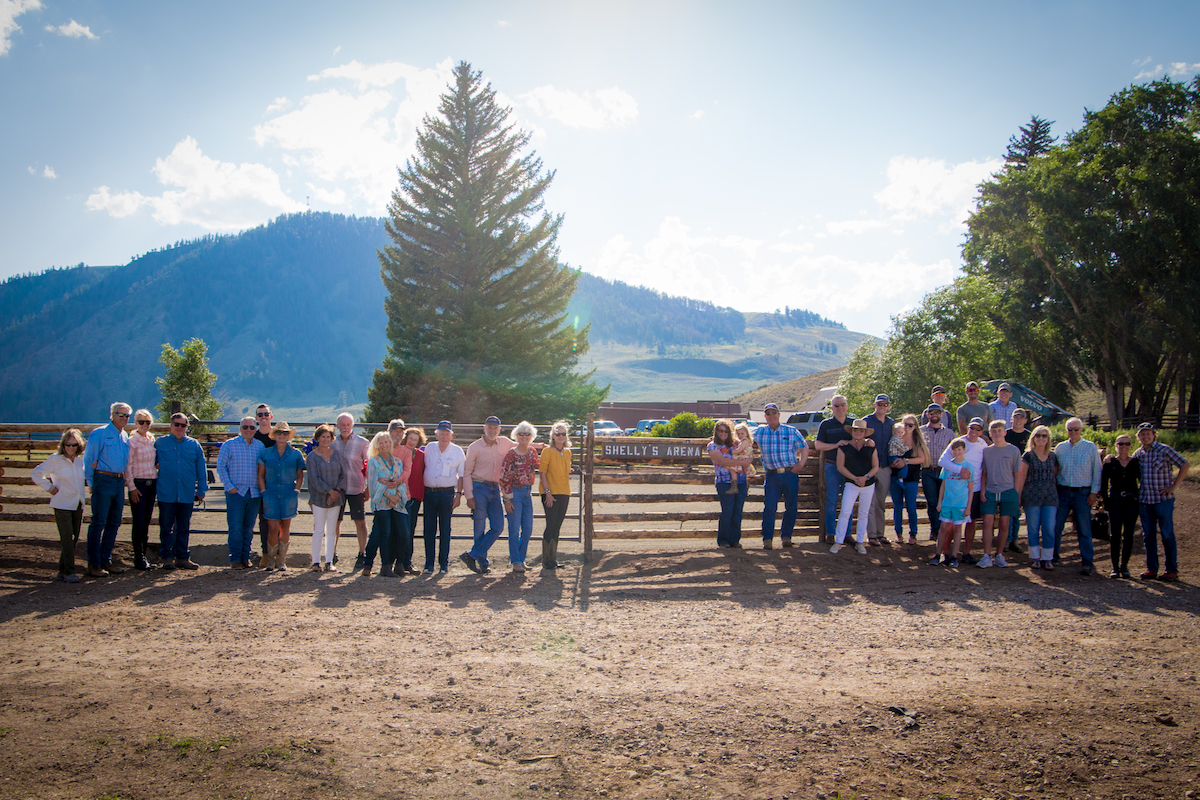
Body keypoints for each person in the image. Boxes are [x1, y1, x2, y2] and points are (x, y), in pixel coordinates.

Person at [1132, 423, 1189, 581]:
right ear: (1138, 437)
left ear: (1154, 434)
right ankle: (1152, 568)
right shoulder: (1139, 454)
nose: (1145, 437)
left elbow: (1185, 464)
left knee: (1167, 534)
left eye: (1148, 433)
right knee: (1148, 535)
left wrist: (1174, 486)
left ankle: (1171, 569)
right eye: (1142, 434)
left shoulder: (1164, 450)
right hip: (1145, 500)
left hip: (1162, 499)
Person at [82, 402, 133, 577]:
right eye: (121, 415)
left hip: (119, 481)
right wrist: (91, 482)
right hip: (103, 478)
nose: (124, 418)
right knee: (99, 522)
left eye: (127, 416)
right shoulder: (100, 433)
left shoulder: (124, 436)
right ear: (112, 414)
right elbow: (89, 458)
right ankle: (94, 563)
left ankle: (106, 560)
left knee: (114, 522)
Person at [32, 429, 87, 583]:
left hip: (77, 503)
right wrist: (50, 488)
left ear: (79, 446)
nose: (70, 447)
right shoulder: (55, 459)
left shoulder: (79, 461)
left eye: (74, 445)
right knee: (67, 538)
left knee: (74, 538)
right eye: (68, 444)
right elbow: (36, 473)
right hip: (62, 503)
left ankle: (62, 571)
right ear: (63, 445)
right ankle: (70, 571)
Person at [461, 415, 515, 574]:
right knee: (479, 525)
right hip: (479, 486)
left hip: (495, 488)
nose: (492, 431)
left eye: (495, 428)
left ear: (499, 430)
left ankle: (472, 555)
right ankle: (482, 561)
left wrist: (540, 445)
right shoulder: (475, 447)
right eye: (489, 428)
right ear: (484, 428)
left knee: (498, 526)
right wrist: (469, 495)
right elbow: (467, 472)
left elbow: (522, 445)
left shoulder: (504, 442)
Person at [154, 413, 208, 570]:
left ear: (187, 427)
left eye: (183, 425)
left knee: (183, 527)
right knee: (166, 527)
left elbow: (201, 469)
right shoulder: (159, 443)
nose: (179, 428)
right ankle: (167, 557)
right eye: (176, 424)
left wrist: (202, 489)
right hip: (166, 491)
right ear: (170, 425)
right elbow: (149, 463)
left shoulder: (194, 445)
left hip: (186, 492)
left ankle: (182, 557)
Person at [753, 402, 809, 549]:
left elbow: (804, 447)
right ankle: (767, 539)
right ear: (765, 416)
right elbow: (741, 436)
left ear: (779, 414)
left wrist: (801, 465)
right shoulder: (759, 432)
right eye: (768, 413)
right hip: (772, 475)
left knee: (791, 507)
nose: (771, 416)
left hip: (789, 473)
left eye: (774, 413)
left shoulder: (791, 431)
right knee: (770, 507)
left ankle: (786, 537)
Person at [1052, 417, 1102, 576]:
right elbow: (1055, 470)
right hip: (1064, 491)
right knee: (1056, 525)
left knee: (1084, 528)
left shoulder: (1090, 447)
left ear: (1081, 430)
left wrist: (1094, 492)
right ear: (1066, 431)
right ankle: (1053, 556)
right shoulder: (1060, 448)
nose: (1073, 432)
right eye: (1070, 429)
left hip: (1083, 492)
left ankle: (1087, 562)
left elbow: (1097, 470)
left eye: (1076, 429)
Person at [216, 417, 265, 569]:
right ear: (240, 428)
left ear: (255, 429)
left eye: (251, 427)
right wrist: (230, 487)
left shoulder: (260, 446)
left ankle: (245, 557)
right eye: (245, 427)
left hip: (254, 492)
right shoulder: (229, 445)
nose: (248, 430)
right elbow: (221, 467)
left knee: (249, 527)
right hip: (236, 492)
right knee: (235, 526)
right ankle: (235, 558)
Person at [257, 421, 306, 571]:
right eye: (278, 433)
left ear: (289, 436)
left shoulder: (295, 454)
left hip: (288, 492)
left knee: (285, 527)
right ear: (274, 435)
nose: (281, 436)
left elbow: (300, 475)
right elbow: (260, 475)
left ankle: (281, 561)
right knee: (272, 527)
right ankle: (270, 560)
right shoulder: (265, 453)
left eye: (285, 433)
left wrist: (296, 490)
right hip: (270, 492)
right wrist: (264, 491)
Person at [938, 417, 988, 564]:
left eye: (978, 429)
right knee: (951, 524)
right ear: (968, 428)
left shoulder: (982, 444)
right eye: (972, 428)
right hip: (956, 490)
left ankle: (966, 553)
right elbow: (942, 461)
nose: (974, 431)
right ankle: (946, 553)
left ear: (981, 432)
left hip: (974, 489)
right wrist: (960, 470)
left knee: (971, 522)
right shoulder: (958, 443)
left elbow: (985, 466)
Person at [977, 419, 1022, 569]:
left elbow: (1017, 473)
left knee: (1004, 524)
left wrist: (1016, 493)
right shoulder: (987, 451)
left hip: (1008, 491)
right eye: (993, 431)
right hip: (990, 490)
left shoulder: (1014, 450)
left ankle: (1000, 555)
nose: (996, 434)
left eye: (999, 431)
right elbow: (984, 473)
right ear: (990, 433)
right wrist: (983, 490)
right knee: (988, 523)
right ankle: (986, 555)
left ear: (1005, 432)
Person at [363, 431, 408, 577]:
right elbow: (373, 484)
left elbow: (401, 481)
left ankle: (399, 564)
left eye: (386, 442)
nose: (384, 445)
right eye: (380, 442)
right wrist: (389, 494)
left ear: (390, 443)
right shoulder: (373, 462)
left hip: (396, 502)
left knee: (403, 532)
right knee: (385, 533)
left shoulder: (397, 462)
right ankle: (385, 565)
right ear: (376, 445)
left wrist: (397, 496)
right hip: (382, 503)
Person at [831, 418, 878, 555]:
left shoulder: (871, 446)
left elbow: (876, 466)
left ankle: (860, 542)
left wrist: (866, 477)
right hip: (851, 483)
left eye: (861, 430)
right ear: (852, 431)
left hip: (868, 483)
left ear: (865, 432)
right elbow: (840, 466)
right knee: (845, 511)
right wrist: (855, 478)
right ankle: (838, 541)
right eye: (856, 430)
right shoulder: (844, 447)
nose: (858, 432)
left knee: (863, 513)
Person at [423, 421, 464, 574]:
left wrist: (459, 494)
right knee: (429, 529)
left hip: (447, 493)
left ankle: (443, 564)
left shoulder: (457, 451)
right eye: (441, 433)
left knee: (445, 529)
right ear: (436, 434)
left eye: (447, 434)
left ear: (451, 435)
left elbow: (462, 475)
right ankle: (429, 564)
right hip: (429, 492)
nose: (444, 436)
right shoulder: (429, 448)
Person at [331, 413, 371, 570]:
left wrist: (368, 487)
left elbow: (368, 466)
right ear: (337, 426)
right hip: (338, 489)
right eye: (342, 425)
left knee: (360, 521)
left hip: (356, 487)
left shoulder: (362, 443)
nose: (345, 427)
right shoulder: (332, 443)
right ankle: (331, 553)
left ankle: (362, 553)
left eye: (348, 425)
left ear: (353, 426)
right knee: (335, 522)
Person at [500, 421, 541, 572]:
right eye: (521, 434)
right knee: (514, 528)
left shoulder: (532, 452)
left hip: (527, 492)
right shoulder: (511, 454)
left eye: (527, 434)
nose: (524, 436)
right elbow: (504, 477)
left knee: (528, 528)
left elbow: (541, 466)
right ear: (516, 436)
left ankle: (521, 559)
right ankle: (516, 560)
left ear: (531, 437)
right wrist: (507, 499)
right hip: (514, 492)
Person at [813, 395, 854, 542]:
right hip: (832, 465)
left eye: (842, 404)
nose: (840, 408)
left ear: (847, 406)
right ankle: (831, 533)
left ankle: (846, 534)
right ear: (832, 408)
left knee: (848, 501)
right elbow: (818, 445)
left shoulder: (853, 424)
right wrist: (836, 445)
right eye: (837, 406)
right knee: (831, 500)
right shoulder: (826, 424)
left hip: (850, 467)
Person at [306, 424, 347, 572]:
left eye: (328, 436)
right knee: (318, 530)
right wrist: (329, 491)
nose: (325, 439)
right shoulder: (312, 457)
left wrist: (336, 491)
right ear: (317, 438)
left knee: (331, 531)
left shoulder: (337, 455)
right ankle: (316, 561)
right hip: (319, 498)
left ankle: (329, 561)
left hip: (336, 498)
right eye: (322, 436)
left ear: (331, 438)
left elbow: (343, 475)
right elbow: (314, 480)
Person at [1017, 425, 1058, 569]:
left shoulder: (1053, 456)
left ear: (1048, 439)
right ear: (1033, 438)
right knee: (1033, 528)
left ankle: (1047, 558)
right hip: (1031, 495)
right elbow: (1022, 477)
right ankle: (1035, 557)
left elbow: (1055, 474)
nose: (1041, 438)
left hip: (1050, 496)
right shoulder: (1027, 456)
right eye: (1038, 435)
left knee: (1049, 528)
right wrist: (1019, 496)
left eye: (1044, 436)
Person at [1101, 433, 1140, 579]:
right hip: (1115, 500)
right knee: (1115, 534)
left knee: (1128, 534)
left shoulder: (1135, 462)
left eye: (1126, 444)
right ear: (1116, 446)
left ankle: (1125, 566)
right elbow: (1104, 484)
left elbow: (1141, 481)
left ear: (1130, 446)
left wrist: (1139, 498)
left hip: (1131, 501)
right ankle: (1115, 567)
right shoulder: (1110, 462)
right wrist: (1106, 501)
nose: (1124, 447)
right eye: (1120, 444)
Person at [123, 409, 158, 570]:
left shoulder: (151, 439)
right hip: (139, 483)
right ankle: (138, 557)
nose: (144, 425)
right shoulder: (132, 441)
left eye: (147, 422)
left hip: (151, 482)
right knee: (139, 520)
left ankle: (143, 554)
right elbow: (128, 465)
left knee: (146, 520)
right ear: (135, 423)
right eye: (141, 422)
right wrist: (131, 487)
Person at [708, 419, 751, 549]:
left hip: (741, 480)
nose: (723, 433)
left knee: (738, 511)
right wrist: (742, 463)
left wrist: (747, 461)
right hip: (724, 482)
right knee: (727, 511)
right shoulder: (713, 446)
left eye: (726, 431)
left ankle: (735, 540)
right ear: (716, 431)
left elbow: (749, 453)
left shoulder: (736, 444)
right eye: (721, 430)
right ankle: (724, 540)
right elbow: (721, 460)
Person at [888, 414, 930, 544]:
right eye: (905, 424)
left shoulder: (917, 441)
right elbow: (888, 455)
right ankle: (899, 534)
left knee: (911, 507)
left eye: (910, 425)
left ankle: (913, 534)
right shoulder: (896, 438)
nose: (907, 427)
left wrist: (905, 461)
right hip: (895, 476)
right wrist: (893, 463)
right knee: (897, 506)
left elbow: (922, 459)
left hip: (911, 477)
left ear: (915, 427)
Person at [931, 439, 972, 567]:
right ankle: (938, 554)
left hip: (960, 503)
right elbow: (943, 485)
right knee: (943, 527)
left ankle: (954, 556)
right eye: (955, 450)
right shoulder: (948, 466)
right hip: (947, 502)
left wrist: (968, 507)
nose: (957, 452)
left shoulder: (969, 466)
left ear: (964, 450)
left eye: (959, 449)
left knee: (957, 528)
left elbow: (971, 488)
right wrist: (939, 502)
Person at [919, 403, 956, 542]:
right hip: (928, 470)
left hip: (944, 472)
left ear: (941, 415)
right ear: (927, 415)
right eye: (932, 413)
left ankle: (944, 531)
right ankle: (935, 530)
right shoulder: (921, 431)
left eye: (937, 413)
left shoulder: (950, 433)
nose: (935, 415)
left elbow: (956, 452)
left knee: (944, 502)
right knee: (932, 502)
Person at [538, 421, 573, 568]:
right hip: (550, 493)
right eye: (557, 434)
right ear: (552, 436)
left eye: (563, 434)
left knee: (558, 525)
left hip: (564, 492)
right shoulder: (547, 451)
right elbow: (543, 473)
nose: (560, 436)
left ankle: (553, 558)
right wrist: (547, 493)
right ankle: (545, 559)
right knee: (550, 524)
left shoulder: (567, 452)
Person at [864, 394, 894, 546]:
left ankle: (881, 534)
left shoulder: (892, 424)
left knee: (881, 501)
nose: (882, 407)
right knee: (870, 502)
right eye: (879, 404)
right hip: (869, 466)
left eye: (885, 404)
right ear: (874, 405)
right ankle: (872, 535)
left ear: (888, 406)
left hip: (885, 466)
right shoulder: (867, 421)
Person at [1003, 409, 1031, 553]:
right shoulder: (1006, 434)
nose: (1018, 420)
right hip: (1007, 475)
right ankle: (1007, 540)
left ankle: (1014, 539)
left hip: (1023, 476)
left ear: (1025, 420)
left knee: (1017, 509)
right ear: (1011, 419)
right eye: (1016, 417)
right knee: (1008, 508)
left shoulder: (1029, 435)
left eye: (1021, 417)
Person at [402, 427, 427, 574]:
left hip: (415, 496)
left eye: (415, 440)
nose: (412, 442)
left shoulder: (421, 456)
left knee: (410, 529)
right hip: (399, 495)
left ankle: (407, 561)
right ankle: (395, 561)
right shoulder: (398, 452)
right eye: (410, 438)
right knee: (398, 528)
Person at [252, 404, 275, 565]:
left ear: (271, 416)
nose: (263, 417)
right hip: (258, 482)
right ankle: (266, 553)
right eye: (260, 414)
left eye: (266, 414)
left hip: (276, 483)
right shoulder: (253, 437)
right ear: (256, 418)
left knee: (279, 519)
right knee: (264, 519)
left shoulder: (278, 435)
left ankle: (279, 553)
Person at [725, 423, 755, 494]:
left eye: (742, 433)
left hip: (742, 458)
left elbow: (739, 450)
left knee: (732, 469)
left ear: (747, 433)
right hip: (745, 458)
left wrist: (729, 451)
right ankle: (746, 487)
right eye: (738, 434)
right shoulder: (746, 441)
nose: (740, 436)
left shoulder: (744, 441)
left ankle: (734, 486)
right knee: (744, 473)